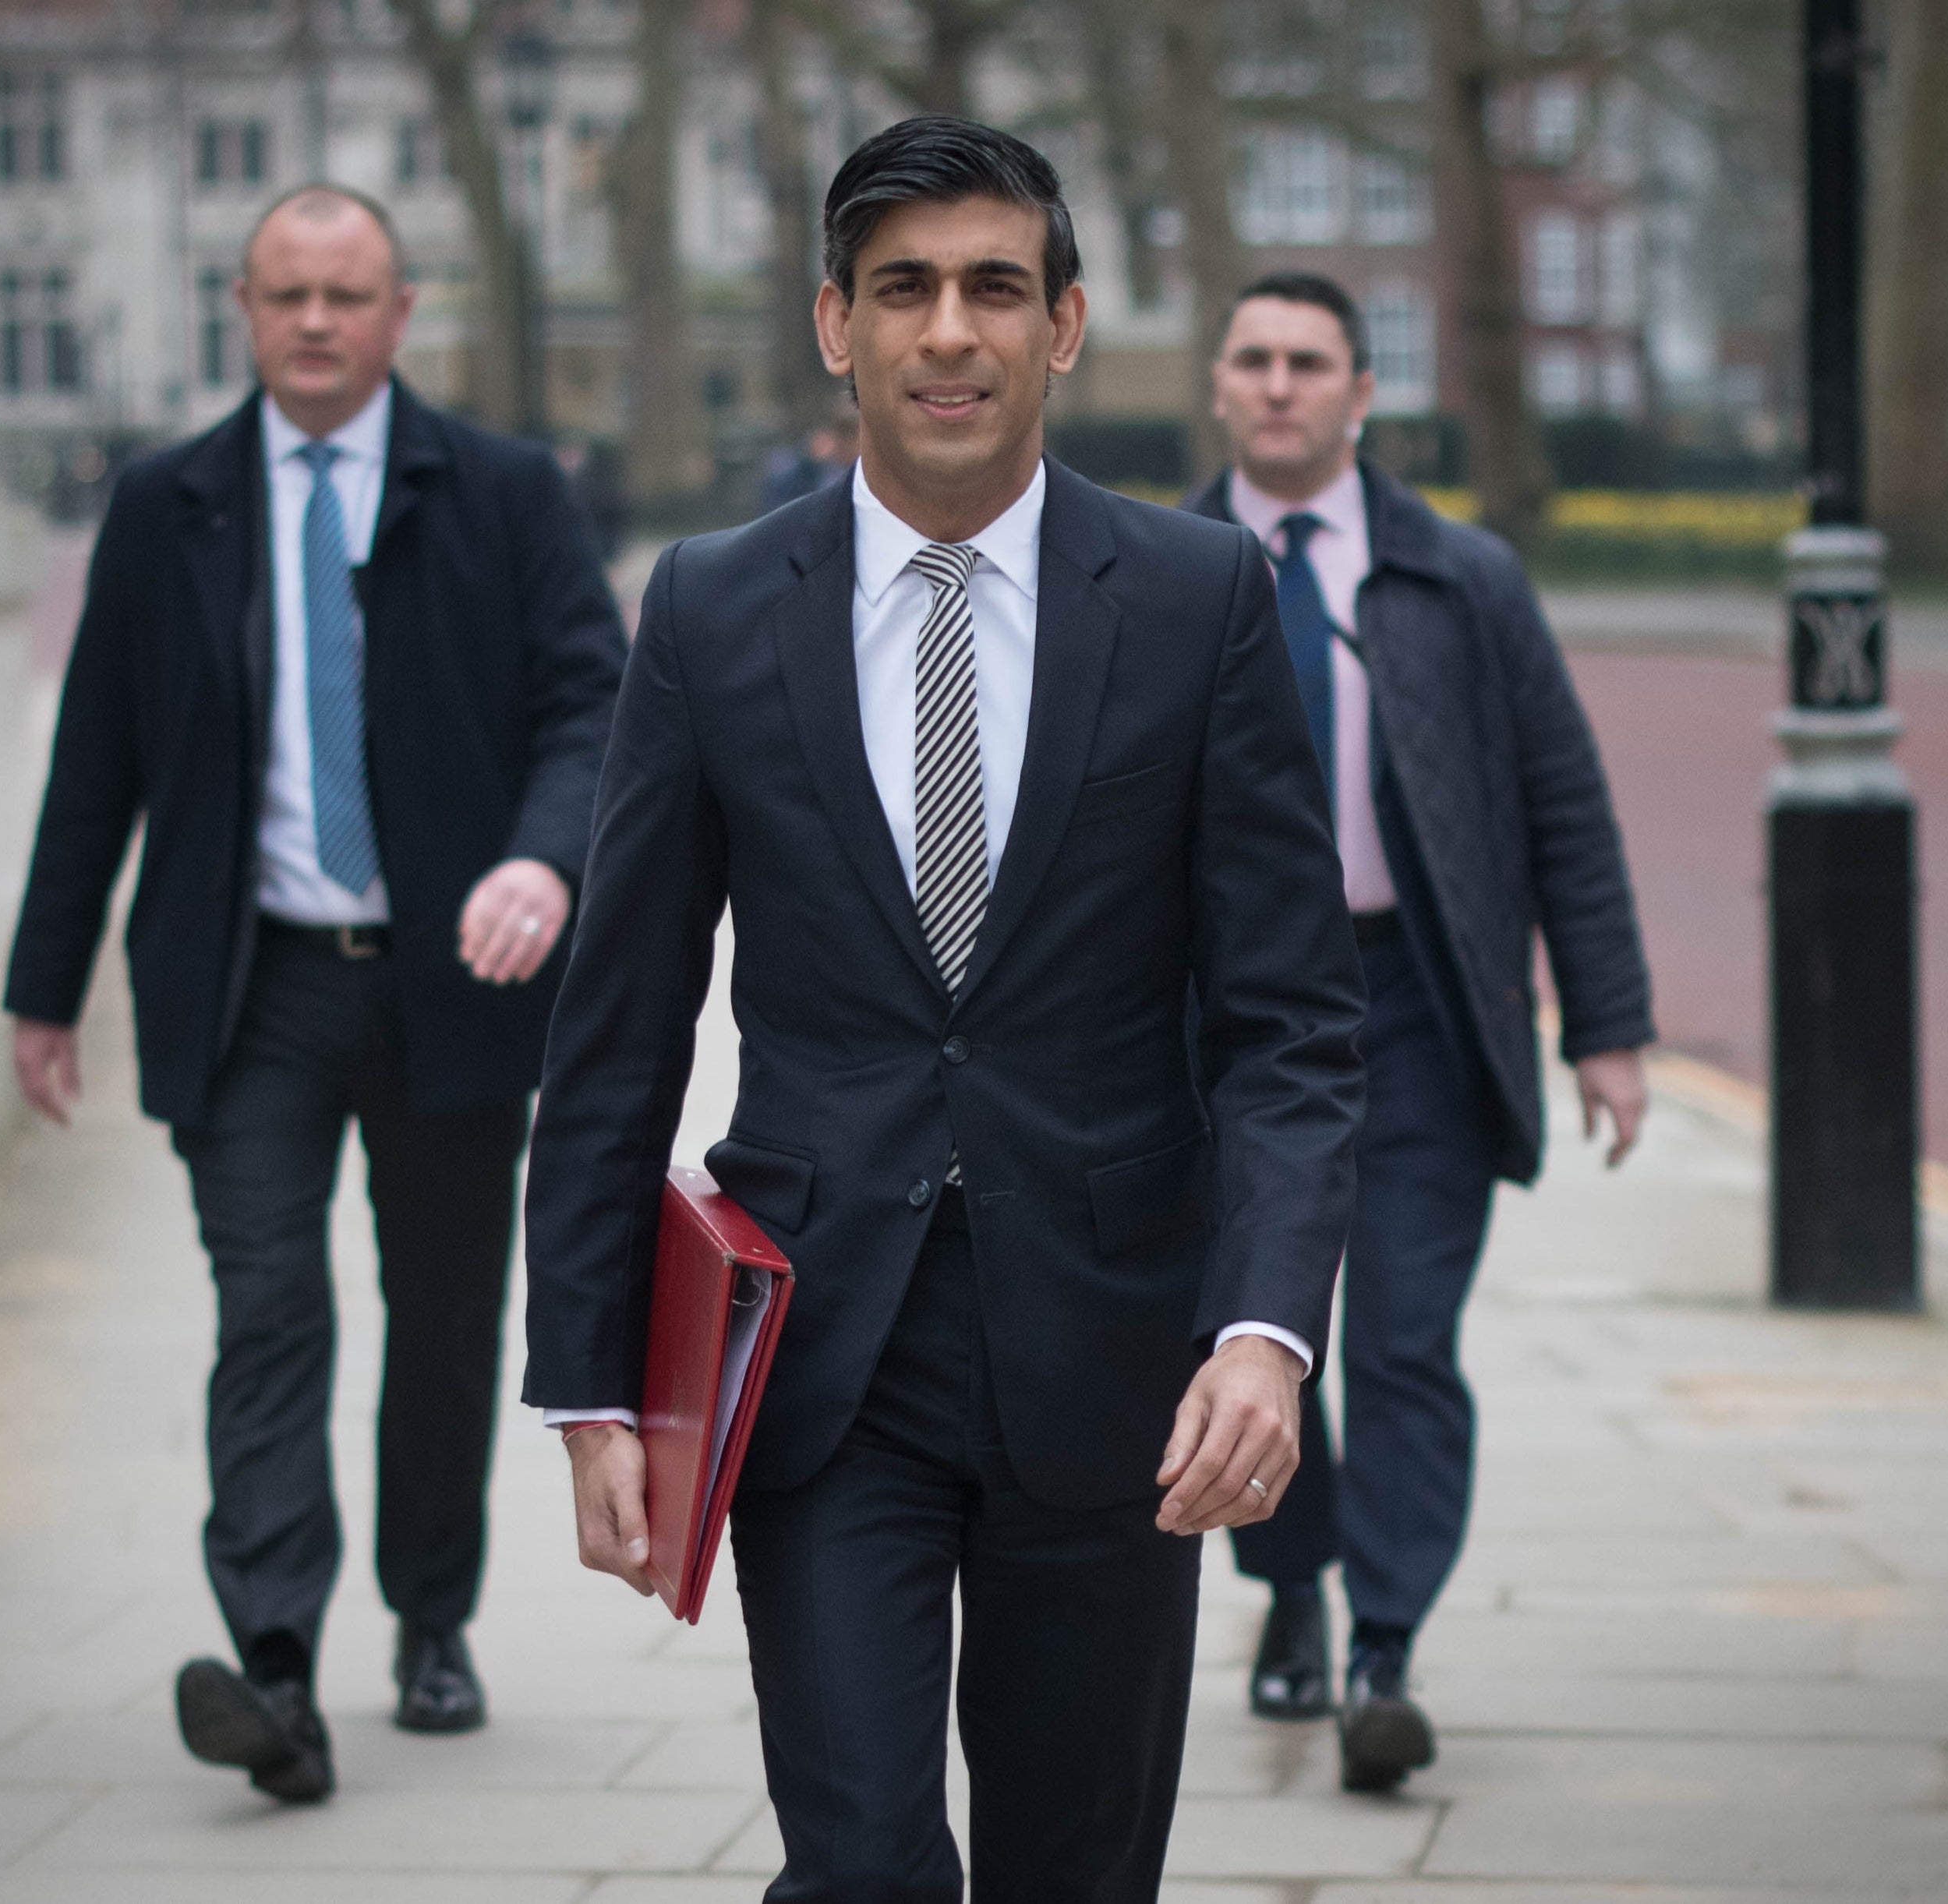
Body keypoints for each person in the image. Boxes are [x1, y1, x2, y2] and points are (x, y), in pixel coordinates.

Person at [523, 120, 1366, 1902]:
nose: (949, 332)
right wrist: (589, 1380)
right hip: (828, 1367)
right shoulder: (711, 608)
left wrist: (1266, 1331)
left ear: (1064, 324)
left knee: (1074, 1873)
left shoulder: (1206, 603)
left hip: (1120, 1365)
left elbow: (1291, 1019)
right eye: (903, 289)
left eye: (995, 287)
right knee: (861, 1864)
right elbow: (622, 1020)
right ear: (835, 326)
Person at [2, 183, 626, 1803]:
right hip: (249, 982)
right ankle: (273, 1662)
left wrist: (541, 863)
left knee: (440, 1317)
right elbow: (99, 759)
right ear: (243, 306)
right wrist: (43, 985)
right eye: (286, 293)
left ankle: (431, 1619)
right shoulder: (170, 504)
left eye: (347, 294)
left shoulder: (498, 491)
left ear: (401, 313)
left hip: (453, 984)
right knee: (268, 1304)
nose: (315, 322)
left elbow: (590, 704)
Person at [1187, 272, 1654, 1791]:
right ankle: (1292, 1588)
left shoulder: (1462, 581)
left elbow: (1562, 806)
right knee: (1256, 1340)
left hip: (1416, 1009)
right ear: (1214, 387)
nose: (1276, 386)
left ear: (1360, 393)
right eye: (1250, 360)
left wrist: (1606, 1025)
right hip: (1224, 1021)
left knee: (1397, 1340)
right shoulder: (1147, 569)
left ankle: (1380, 1640)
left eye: (1305, 363)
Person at [758, 397, 861, 514]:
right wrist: (808, 462)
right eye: (842, 432)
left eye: (853, 432)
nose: (848, 442)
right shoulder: (815, 467)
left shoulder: (868, 472)